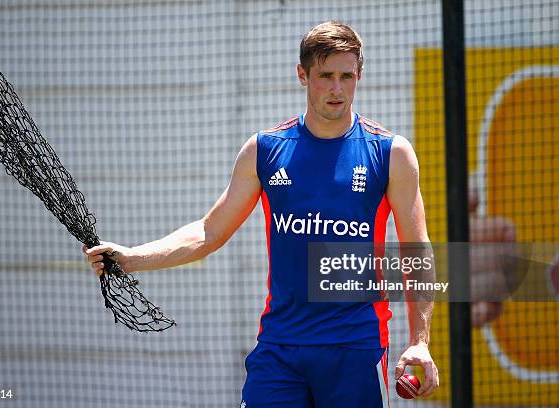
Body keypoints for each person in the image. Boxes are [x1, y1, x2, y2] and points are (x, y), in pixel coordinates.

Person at [84, 20, 439, 407]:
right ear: (302, 75)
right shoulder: (265, 150)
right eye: (325, 76)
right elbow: (208, 232)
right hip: (280, 349)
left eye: (346, 76)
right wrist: (133, 258)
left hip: (355, 349)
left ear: (359, 74)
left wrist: (420, 341)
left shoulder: (390, 153)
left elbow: (416, 252)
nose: (337, 89)